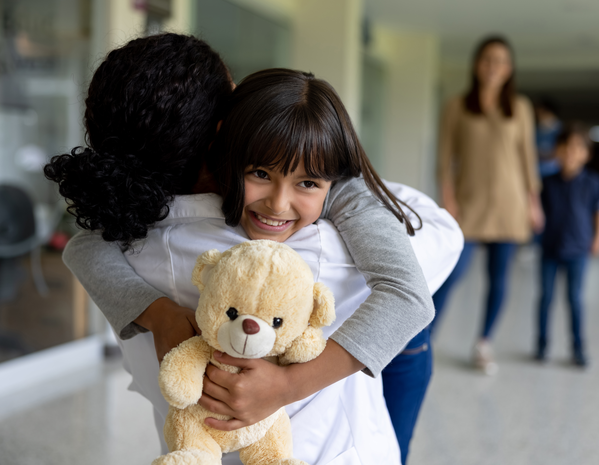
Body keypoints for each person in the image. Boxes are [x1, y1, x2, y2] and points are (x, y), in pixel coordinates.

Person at [44, 35, 462, 464]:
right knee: (412, 344)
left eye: (307, 181)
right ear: (222, 134)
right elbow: (440, 242)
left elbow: (81, 249)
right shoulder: (303, 248)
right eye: (235, 97)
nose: (280, 201)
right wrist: (340, 187)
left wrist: (158, 311)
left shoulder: (124, 241)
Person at [433, 35, 544, 375]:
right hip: (469, 206)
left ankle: (483, 343)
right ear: (476, 65)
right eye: (487, 59)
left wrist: (533, 201)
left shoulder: (520, 107)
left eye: (500, 61)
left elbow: (528, 157)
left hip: (510, 206)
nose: (493, 66)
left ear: (509, 69)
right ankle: (422, 338)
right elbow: (444, 158)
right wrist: (448, 200)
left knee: (499, 280)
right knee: (450, 276)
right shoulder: (457, 105)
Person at [536, 123, 599, 367]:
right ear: (557, 150)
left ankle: (578, 348)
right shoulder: (547, 182)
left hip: (578, 250)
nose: (570, 152)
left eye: (578, 148)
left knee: (575, 300)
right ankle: (541, 345)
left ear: (586, 154)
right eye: (565, 147)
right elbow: (537, 212)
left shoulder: (593, 181)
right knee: (546, 298)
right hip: (550, 248)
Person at [534, 99, 562, 178]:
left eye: (539, 112)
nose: (537, 115)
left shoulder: (561, 130)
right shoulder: (535, 130)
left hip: (554, 173)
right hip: (536, 174)